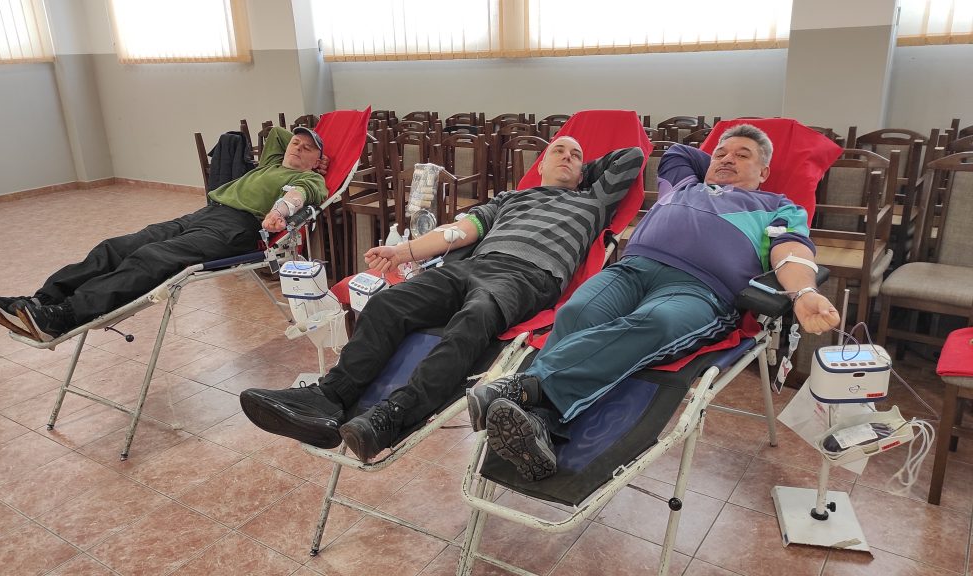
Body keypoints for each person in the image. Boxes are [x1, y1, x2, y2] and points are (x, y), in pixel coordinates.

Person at [466, 124, 841, 482]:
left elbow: (791, 253)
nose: (727, 159)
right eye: (720, 153)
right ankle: (540, 426)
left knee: (656, 322)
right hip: (631, 271)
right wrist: (722, 164)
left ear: (765, 172)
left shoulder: (776, 205)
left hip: (700, 288)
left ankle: (528, 388)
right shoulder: (683, 182)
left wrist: (804, 292)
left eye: (743, 156)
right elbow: (679, 152)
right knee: (577, 312)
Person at [240, 136, 646, 462]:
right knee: (388, 303)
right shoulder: (510, 199)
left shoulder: (592, 201)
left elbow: (631, 156)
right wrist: (402, 251)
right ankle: (329, 397)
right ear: (538, 165)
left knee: (474, 319)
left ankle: (393, 416)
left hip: (529, 276)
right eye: (558, 151)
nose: (567, 157)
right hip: (475, 264)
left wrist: (580, 173)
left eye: (576, 155)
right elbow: (461, 232)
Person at [0, 126, 328, 342]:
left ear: (317, 161)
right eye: (296, 143)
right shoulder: (272, 162)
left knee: (153, 258)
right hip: (204, 214)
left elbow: (301, 196)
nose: (297, 147)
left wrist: (279, 211)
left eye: (308, 148)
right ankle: (38, 302)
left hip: (237, 227)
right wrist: (307, 140)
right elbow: (280, 134)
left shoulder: (309, 177)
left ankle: (64, 315)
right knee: (116, 247)